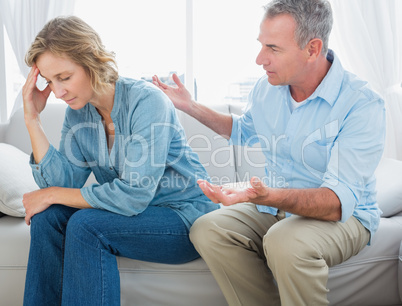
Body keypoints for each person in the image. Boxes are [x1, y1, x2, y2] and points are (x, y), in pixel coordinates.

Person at [152, 0, 386, 305]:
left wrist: (264, 195)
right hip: (278, 207)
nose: (260, 59)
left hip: (345, 216)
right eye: (261, 45)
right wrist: (190, 106)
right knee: (208, 228)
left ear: (312, 49)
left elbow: (336, 202)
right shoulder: (267, 89)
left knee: (285, 240)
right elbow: (243, 131)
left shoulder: (362, 104)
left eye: (273, 48)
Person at [22, 16, 219, 306]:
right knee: (48, 218)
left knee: (86, 225)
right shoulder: (78, 113)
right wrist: (32, 119)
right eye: (51, 81)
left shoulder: (147, 101)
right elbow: (62, 184)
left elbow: (134, 195)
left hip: (182, 218)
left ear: (91, 61)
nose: (58, 91)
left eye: (64, 77)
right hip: (129, 218)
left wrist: (50, 194)